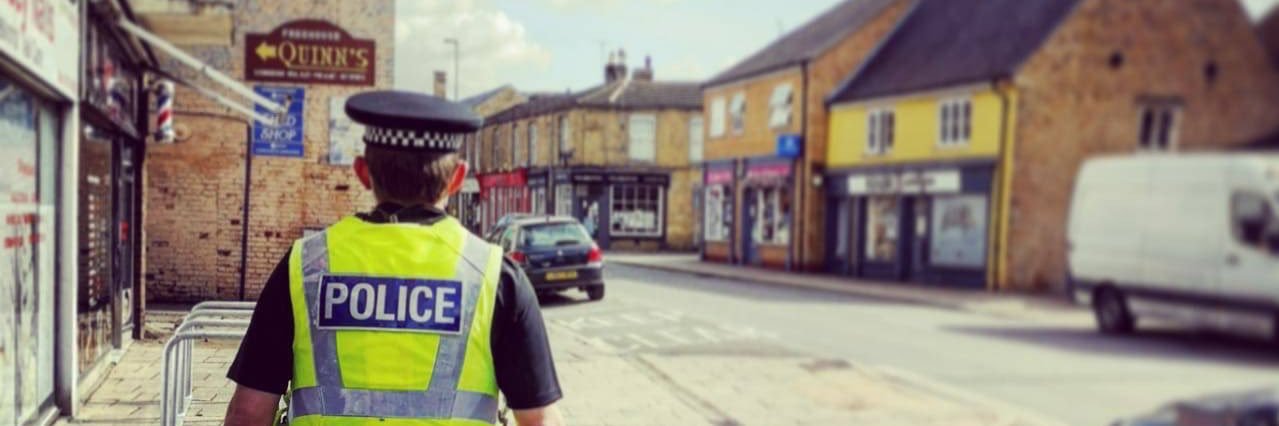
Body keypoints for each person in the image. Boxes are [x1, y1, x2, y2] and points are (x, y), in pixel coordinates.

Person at [223, 91, 564, 426]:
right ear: (458, 178)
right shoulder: (494, 275)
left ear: (362, 172)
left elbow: (249, 413)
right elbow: (539, 420)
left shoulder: (305, 267)